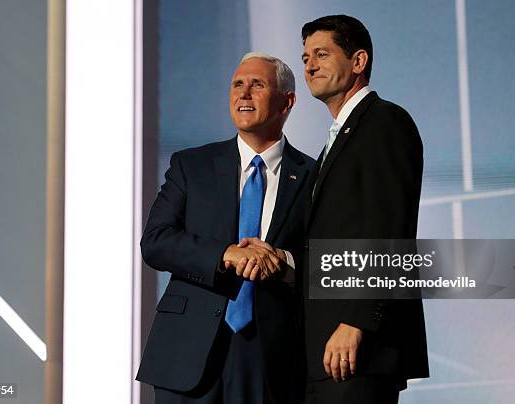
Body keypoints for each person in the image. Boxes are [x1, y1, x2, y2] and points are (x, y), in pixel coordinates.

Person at [136, 52, 315, 404]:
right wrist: (225, 254)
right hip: (188, 352)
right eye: (237, 84)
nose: (243, 93)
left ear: (287, 101)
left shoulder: (313, 177)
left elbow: (324, 261)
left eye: (257, 85)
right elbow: (155, 242)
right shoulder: (192, 165)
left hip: (271, 356)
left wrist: (284, 263)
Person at [300, 15, 429, 403]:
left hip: (357, 346)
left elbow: (390, 228)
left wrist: (356, 320)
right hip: (324, 348)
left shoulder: (385, 122)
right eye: (306, 56)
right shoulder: (338, 139)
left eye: (322, 54)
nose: (310, 65)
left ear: (358, 61)